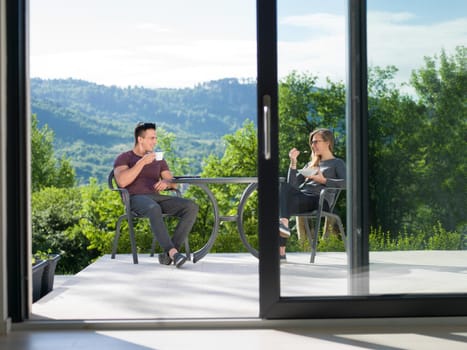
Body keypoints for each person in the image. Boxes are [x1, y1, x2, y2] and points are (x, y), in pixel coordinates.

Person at [113, 122, 199, 268]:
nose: (155, 141)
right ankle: (173, 252)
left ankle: (169, 255)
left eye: (155, 138)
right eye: (151, 138)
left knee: (191, 207)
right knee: (153, 208)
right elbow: (122, 182)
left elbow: (172, 182)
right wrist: (141, 163)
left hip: (156, 198)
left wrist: (166, 182)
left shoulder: (158, 159)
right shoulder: (124, 158)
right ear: (140, 139)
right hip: (135, 199)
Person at [278, 128, 346, 262]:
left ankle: (282, 232)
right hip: (305, 198)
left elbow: (347, 183)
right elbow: (292, 185)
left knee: (282, 208)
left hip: (320, 200)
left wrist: (324, 180)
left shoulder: (337, 163)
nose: (313, 145)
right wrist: (293, 162)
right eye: (312, 143)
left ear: (328, 143)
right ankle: (282, 247)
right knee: (282, 191)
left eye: (316, 142)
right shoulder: (312, 164)